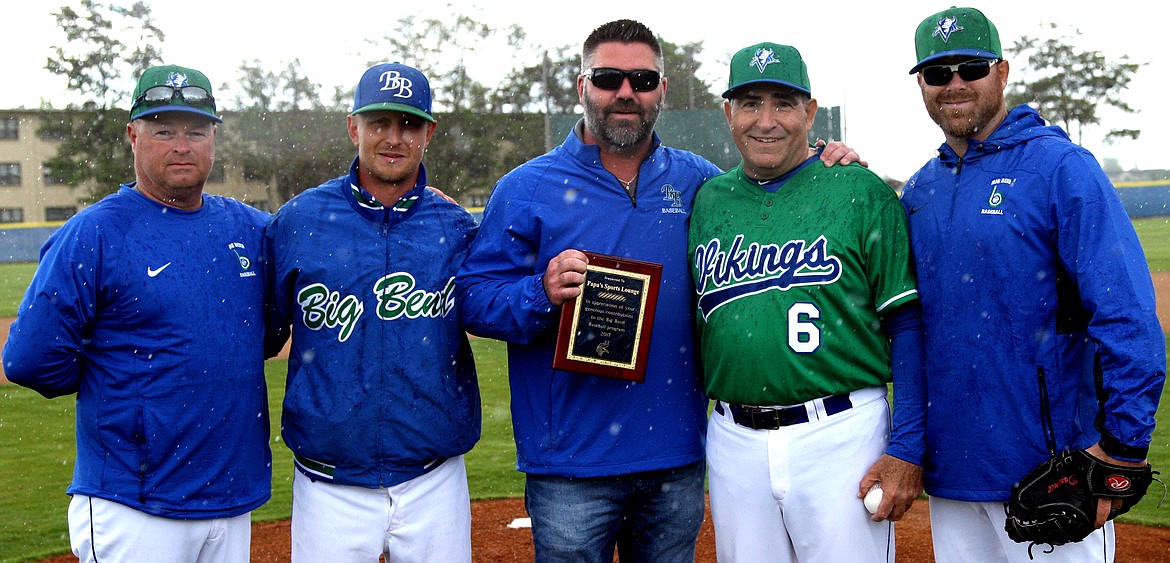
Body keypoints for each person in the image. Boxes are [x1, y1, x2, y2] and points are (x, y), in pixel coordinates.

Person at [455, 20, 860, 562]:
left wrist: (827, 165)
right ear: (582, 87)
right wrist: (540, 293)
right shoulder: (526, 187)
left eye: (643, 80)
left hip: (675, 455)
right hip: (571, 463)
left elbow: (775, 197)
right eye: (609, 78)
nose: (627, 92)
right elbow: (475, 300)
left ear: (662, 90)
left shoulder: (701, 183)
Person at [902, 7, 1165, 562]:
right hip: (952, 474)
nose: (953, 84)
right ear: (920, 84)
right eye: (936, 71)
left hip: (1049, 472)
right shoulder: (920, 189)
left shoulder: (1061, 168)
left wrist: (1121, 452)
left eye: (969, 67)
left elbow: (1127, 317)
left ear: (1001, 71)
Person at [2, 65, 271, 562]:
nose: (182, 145)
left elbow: (280, 315)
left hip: (232, 497)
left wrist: (420, 201)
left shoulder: (251, 227)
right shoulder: (96, 232)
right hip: (133, 503)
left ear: (214, 136)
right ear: (133, 135)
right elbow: (31, 359)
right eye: (163, 130)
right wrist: (124, 386)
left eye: (195, 131)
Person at [688, 42, 925, 562]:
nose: (766, 120)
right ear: (729, 112)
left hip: (841, 432)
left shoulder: (859, 191)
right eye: (750, 103)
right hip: (732, 439)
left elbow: (906, 324)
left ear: (810, 112)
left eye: (784, 103)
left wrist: (906, 447)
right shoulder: (708, 200)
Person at [264, 61, 480, 562]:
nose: (393, 137)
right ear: (353, 126)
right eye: (379, 121)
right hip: (328, 482)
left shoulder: (456, 227)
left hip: (434, 478)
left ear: (428, 132)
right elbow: (266, 331)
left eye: (408, 124)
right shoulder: (300, 221)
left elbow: (496, 306)